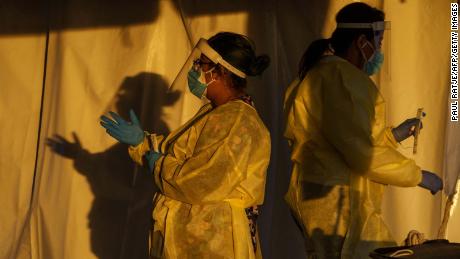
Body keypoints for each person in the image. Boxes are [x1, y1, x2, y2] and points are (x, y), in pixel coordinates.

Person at [283, 3, 442, 259]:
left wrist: (392, 136)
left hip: (321, 199)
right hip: (339, 205)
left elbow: (344, 138)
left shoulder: (316, 74)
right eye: (378, 41)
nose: (379, 50)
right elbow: (360, 153)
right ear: (361, 42)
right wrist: (418, 176)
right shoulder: (341, 77)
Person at [100, 32, 271, 258]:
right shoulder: (217, 113)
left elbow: (203, 180)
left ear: (220, 71)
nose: (196, 69)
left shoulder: (236, 120)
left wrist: (160, 165)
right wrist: (142, 142)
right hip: (197, 237)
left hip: (214, 241)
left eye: (202, 64)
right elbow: (178, 150)